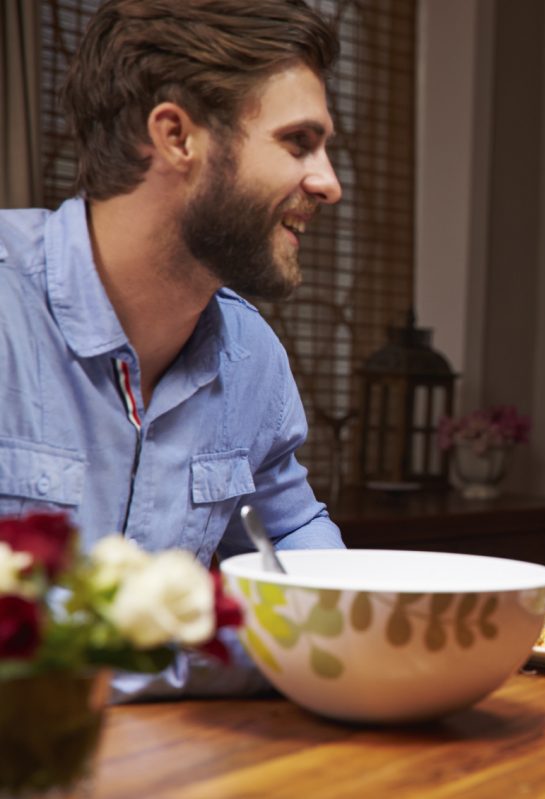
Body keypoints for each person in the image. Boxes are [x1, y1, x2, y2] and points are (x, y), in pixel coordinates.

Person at [0, 0, 345, 699]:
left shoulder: (254, 357)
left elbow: (301, 561)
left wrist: (363, 632)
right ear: (176, 135)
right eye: (298, 142)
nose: (329, 182)